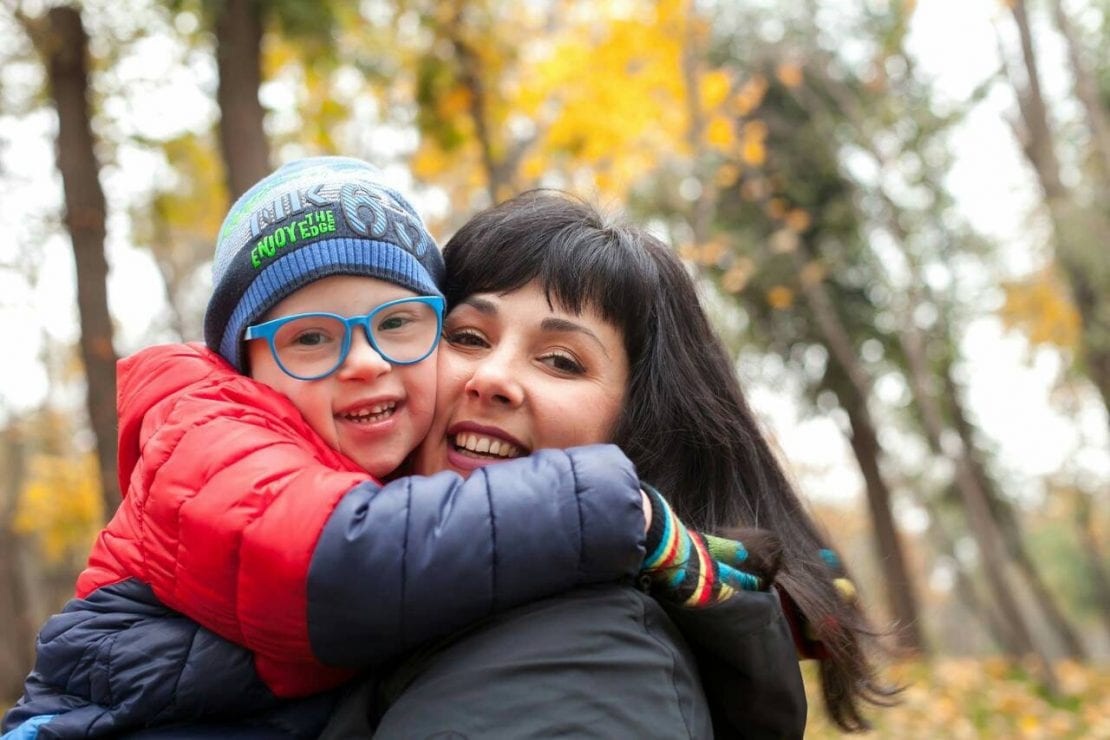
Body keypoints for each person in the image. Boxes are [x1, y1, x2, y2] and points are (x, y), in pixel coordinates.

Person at [3, 159, 761, 740]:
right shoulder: (209, 437)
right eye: (470, 338)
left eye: (399, 324)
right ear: (247, 368)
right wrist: (607, 506)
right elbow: (339, 563)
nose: (363, 362)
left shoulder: (592, 648)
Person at [321, 191, 890, 738]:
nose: (492, 377)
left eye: (562, 362)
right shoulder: (368, 615)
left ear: (637, 426)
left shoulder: (594, 660)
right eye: (467, 337)